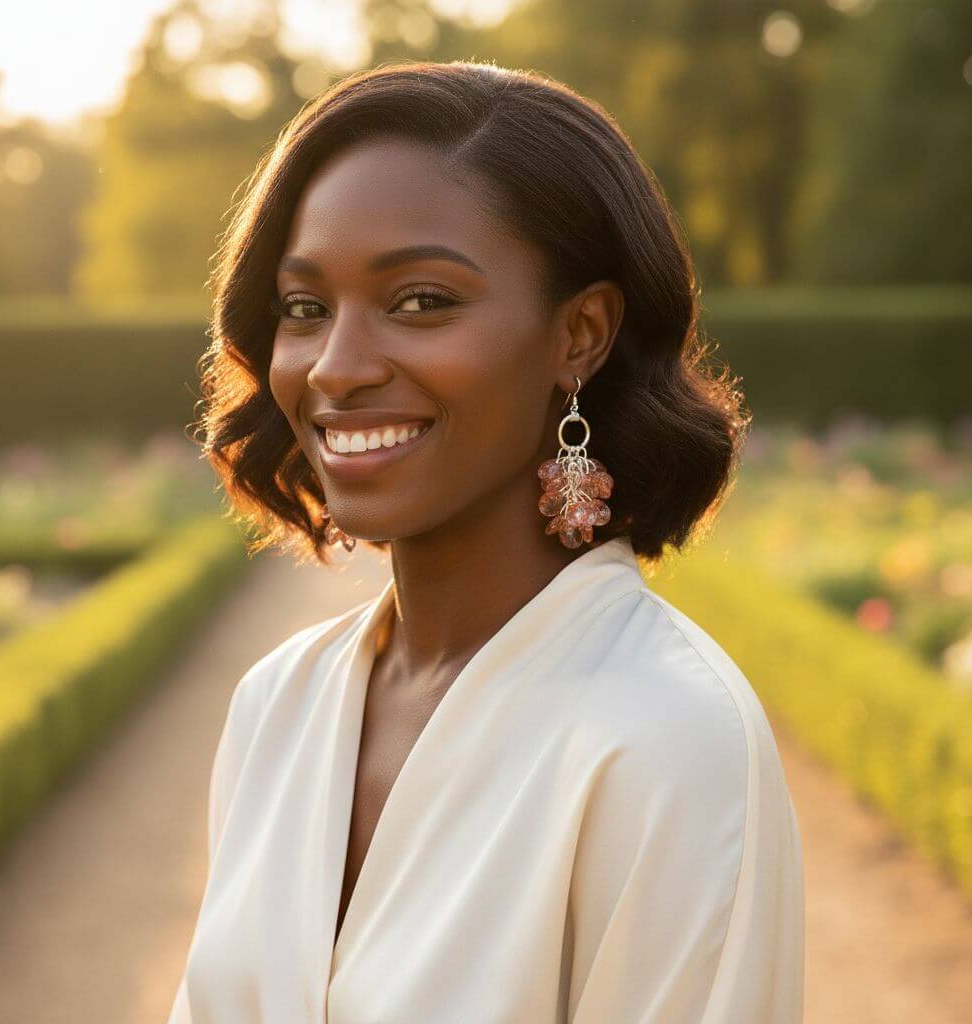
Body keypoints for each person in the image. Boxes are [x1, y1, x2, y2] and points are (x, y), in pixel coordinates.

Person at [166, 60, 804, 1023]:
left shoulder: (669, 739)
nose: (336, 368)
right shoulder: (277, 706)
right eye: (304, 309)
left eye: (421, 301)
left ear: (579, 333)